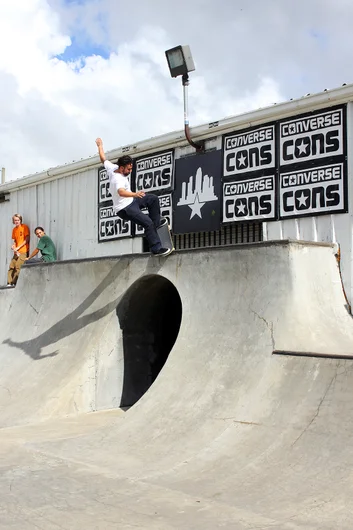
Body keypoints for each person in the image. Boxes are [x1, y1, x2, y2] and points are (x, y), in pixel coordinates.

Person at [95, 138, 171, 256]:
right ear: (122, 168)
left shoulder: (112, 168)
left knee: (153, 199)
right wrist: (135, 194)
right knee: (148, 223)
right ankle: (156, 249)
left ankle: (156, 224)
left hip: (131, 201)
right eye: (129, 169)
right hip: (125, 209)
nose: (130, 171)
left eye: (131, 169)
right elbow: (121, 192)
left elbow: (103, 159)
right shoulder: (117, 179)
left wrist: (100, 146)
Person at [7, 214, 30, 287]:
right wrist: (14, 246)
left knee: (18, 266)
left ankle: (14, 283)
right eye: (15, 220)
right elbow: (15, 240)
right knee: (11, 266)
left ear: (20, 220)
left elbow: (27, 239)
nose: (16, 221)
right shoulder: (14, 229)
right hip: (16, 252)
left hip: (23, 251)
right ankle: (9, 283)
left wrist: (18, 248)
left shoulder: (24, 227)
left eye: (18, 220)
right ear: (13, 221)